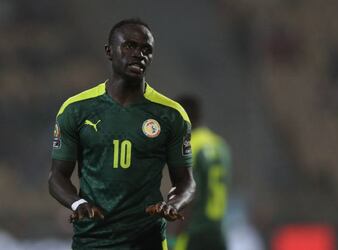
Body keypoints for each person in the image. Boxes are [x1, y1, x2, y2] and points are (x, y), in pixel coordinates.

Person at [48, 18, 196, 250]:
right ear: (109, 51)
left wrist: (174, 203)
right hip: (92, 240)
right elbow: (57, 177)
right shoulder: (76, 109)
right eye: (130, 46)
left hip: (147, 240)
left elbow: (186, 181)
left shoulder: (172, 115)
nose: (139, 54)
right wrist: (77, 204)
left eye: (146, 49)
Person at [170, 95, 231, 250]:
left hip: (194, 232)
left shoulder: (190, 146)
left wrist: (176, 233)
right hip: (218, 232)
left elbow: (190, 194)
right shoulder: (220, 145)